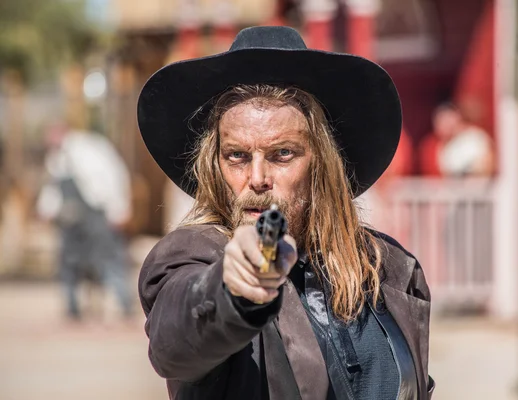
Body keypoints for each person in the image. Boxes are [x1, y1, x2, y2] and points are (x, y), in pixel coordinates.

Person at [137, 26, 434, 400]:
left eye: (282, 154)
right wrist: (232, 287)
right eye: (237, 156)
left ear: (321, 164)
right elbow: (175, 341)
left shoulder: (388, 267)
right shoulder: (193, 254)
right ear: (215, 165)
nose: (257, 178)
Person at [36, 125, 134, 321]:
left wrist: (119, 208)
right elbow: (53, 188)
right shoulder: (57, 157)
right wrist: (45, 209)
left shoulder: (90, 148)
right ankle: (72, 308)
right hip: (71, 221)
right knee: (69, 263)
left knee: (108, 259)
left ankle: (123, 304)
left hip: (96, 214)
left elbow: (113, 177)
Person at [419, 103, 494, 177]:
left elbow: (486, 165)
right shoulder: (433, 147)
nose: (445, 125)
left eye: (448, 119)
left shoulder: (475, 137)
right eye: (441, 121)